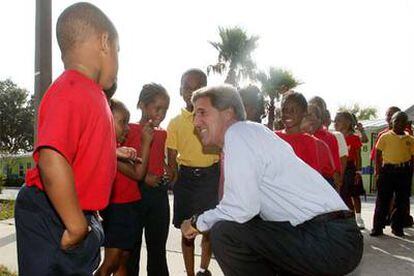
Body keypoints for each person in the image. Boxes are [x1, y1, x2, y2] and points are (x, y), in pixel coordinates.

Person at [181, 85, 363, 276]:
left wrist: (196, 222)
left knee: (225, 233)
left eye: (202, 112)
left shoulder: (239, 133)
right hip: (327, 237)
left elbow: (240, 208)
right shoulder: (253, 134)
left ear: (228, 113)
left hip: (328, 239)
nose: (195, 121)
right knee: (239, 230)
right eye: (194, 115)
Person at [14, 3, 119, 275]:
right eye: (119, 51)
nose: (119, 61)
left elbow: (84, 153)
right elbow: (51, 158)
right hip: (52, 215)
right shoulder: (72, 88)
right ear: (105, 42)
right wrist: (76, 226)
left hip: (76, 216)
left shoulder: (92, 94)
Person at [167, 69, 220, 276]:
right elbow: (172, 159)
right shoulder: (175, 123)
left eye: (197, 88)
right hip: (186, 180)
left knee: (208, 230)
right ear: (180, 91)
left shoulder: (215, 118)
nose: (191, 92)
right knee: (187, 232)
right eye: (187, 88)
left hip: (211, 178)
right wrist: (172, 176)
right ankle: (190, 273)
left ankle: (203, 270)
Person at [95, 99, 153, 276]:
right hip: (117, 208)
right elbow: (138, 174)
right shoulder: (110, 151)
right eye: (122, 122)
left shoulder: (119, 149)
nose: (127, 128)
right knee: (110, 263)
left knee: (122, 261)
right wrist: (145, 143)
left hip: (130, 206)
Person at [126, 83, 171, 276]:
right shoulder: (129, 129)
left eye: (165, 109)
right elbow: (124, 163)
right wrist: (144, 178)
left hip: (159, 197)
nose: (161, 113)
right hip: (135, 195)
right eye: (157, 108)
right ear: (143, 106)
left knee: (158, 249)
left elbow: (157, 158)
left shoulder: (162, 133)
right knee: (132, 249)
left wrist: (167, 168)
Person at [371, 111, 414, 237]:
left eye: (403, 122)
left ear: (407, 124)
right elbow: (378, 154)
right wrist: (377, 171)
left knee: (402, 202)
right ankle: (377, 228)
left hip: (404, 172)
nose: (399, 124)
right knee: (382, 200)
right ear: (391, 122)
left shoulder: (410, 139)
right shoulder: (385, 136)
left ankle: (397, 227)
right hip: (387, 172)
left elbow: (412, 157)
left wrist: (410, 172)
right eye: (396, 121)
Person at [334, 112, 366, 229]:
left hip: (351, 169)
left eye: (339, 121)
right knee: (342, 193)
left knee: (354, 194)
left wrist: (358, 172)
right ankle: (346, 218)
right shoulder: (334, 137)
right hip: (339, 168)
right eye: (335, 120)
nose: (336, 123)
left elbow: (358, 156)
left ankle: (358, 217)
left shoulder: (354, 138)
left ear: (348, 123)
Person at [275, 92, 320, 172]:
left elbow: (313, 174)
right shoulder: (274, 137)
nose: (287, 114)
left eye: (293, 110)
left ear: (304, 113)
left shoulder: (309, 141)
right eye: (284, 110)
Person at [301, 105, 337, 186]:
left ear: (319, 119)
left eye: (310, 115)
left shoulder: (323, 143)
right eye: (305, 116)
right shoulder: (286, 139)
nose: (307, 119)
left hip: (322, 182)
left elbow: (334, 169)